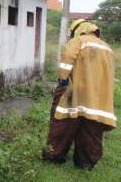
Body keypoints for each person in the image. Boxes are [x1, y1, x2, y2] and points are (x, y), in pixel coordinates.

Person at [42, 19, 117, 170]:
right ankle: (85, 163)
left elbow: (68, 57)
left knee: (63, 124)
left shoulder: (78, 40)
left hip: (75, 92)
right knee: (91, 129)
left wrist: (63, 79)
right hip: (98, 98)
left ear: (77, 29)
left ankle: (54, 155)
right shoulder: (107, 47)